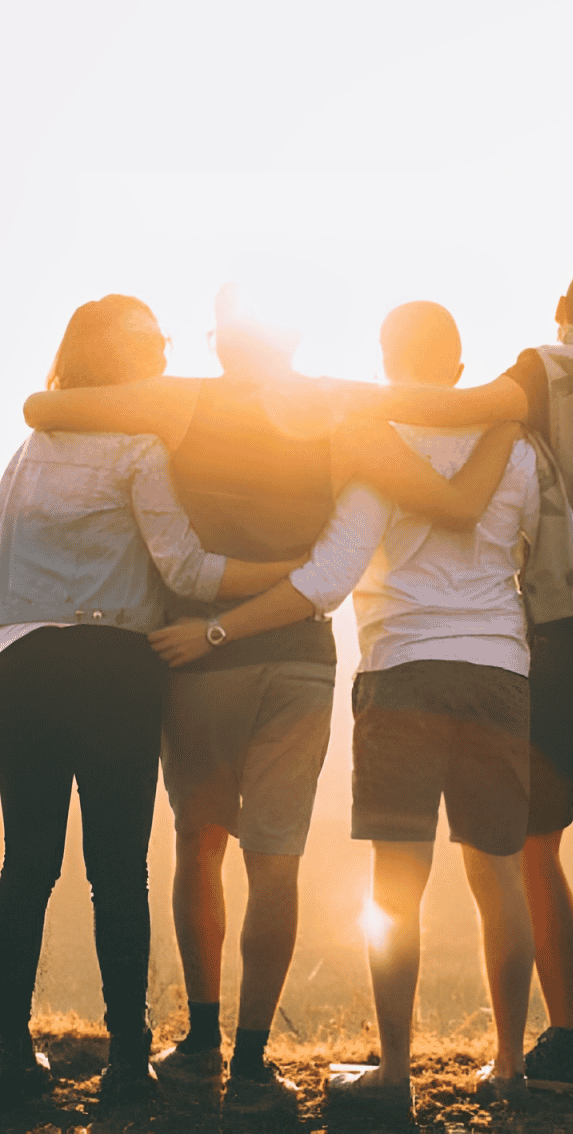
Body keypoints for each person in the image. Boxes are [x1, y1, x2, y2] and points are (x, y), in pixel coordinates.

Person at [148, 299, 573, 1120]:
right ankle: (511, 1067)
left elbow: (326, 580)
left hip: (401, 675)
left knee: (396, 887)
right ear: (457, 369)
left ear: (386, 360)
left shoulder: (376, 446)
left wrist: (218, 628)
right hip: (499, 678)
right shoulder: (517, 449)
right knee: (499, 881)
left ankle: (395, 1073)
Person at [20, 289, 527, 1115]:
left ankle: (201, 1044)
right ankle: (255, 1064)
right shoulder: (336, 406)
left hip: (198, 656)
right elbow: (434, 450)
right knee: (277, 859)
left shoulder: (181, 399)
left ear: (223, 343)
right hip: (301, 658)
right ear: (294, 336)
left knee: (199, 844)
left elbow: (49, 403)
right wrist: (507, 410)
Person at [338, 259, 573, 1090]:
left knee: (530, 842)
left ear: (564, 308)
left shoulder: (549, 368)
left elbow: (457, 410)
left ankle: (562, 1032)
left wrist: (341, 400)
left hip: (567, 623)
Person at [0, 296, 308, 1108]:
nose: (168, 355)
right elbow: (186, 571)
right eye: (155, 343)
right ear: (127, 360)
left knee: (24, 867)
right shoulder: (140, 448)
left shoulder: (30, 451)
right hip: (114, 673)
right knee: (117, 872)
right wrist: (285, 579)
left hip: (22, 668)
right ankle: (130, 1062)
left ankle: (5, 1054)